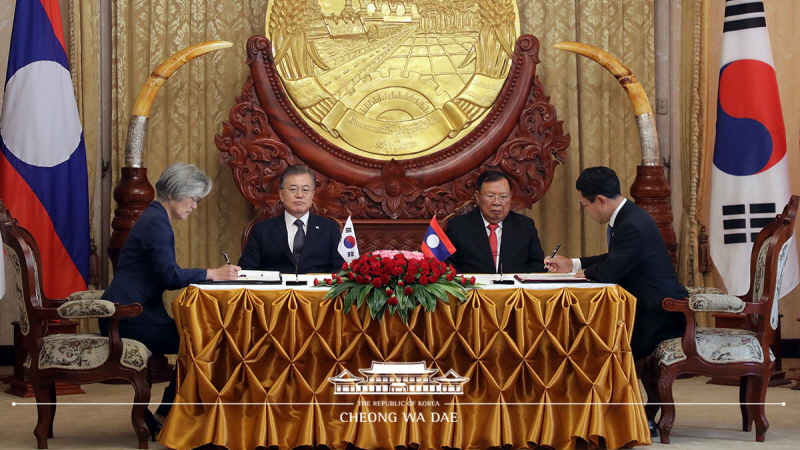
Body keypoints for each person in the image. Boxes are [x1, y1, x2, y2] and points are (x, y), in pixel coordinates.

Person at [100, 163, 240, 438]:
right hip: (128, 318)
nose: (194, 206)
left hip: (133, 314)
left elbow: (165, 276)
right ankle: (167, 413)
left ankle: (173, 412)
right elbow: (169, 275)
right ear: (177, 193)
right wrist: (215, 274)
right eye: (194, 199)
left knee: (204, 338)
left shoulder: (154, 217)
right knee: (205, 341)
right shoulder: (156, 222)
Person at [544, 166, 686, 361]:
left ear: (601, 200)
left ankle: (603, 391)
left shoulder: (632, 224)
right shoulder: (629, 216)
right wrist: (573, 264)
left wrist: (585, 273)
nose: (586, 211)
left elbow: (609, 271)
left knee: (587, 344)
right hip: (646, 309)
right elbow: (615, 258)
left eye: (585, 205)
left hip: (657, 317)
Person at [239, 164, 344, 273]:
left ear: (312, 195)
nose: (299, 195)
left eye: (305, 190)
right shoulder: (263, 229)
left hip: (317, 288)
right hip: (276, 289)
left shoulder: (329, 229)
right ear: (281, 194)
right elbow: (247, 270)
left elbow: (340, 270)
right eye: (293, 189)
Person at [445, 170, 546, 273]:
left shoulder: (525, 226)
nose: (497, 202)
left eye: (503, 197)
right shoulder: (458, 227)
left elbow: (537, 264)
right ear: (477, 197)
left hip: (514, 288)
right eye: (490, 196)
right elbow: (448, 267)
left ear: (510, 197)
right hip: (474, 288)